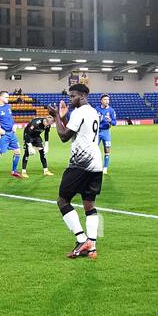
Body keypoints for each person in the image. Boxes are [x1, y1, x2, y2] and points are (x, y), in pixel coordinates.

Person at [46, 82, 104, 259]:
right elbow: (76, 132)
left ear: (82, 96)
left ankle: (81, 239)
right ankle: (91, 246)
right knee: (89, 204)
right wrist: (63, 118)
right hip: (96, 164)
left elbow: (64, 137)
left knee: (62, 201)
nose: (70, 99)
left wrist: (56, 116)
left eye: (73, 96)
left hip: (80, 164)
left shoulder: (79, 112)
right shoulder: (92, 111)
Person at [0, 90, 24, 178]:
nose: (8, 99)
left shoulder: (8, 106)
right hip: (3, 134)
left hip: (11, 133)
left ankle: (14, 171)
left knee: (18, 151)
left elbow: (10, 118)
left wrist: (14, 125)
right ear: (0, 97)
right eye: (6, 97)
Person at [95, 93, 117, 173]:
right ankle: (95, 165)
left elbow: (114, 123)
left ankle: (105, 168)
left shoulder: (111, 110)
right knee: (93, 149)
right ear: (101, 101)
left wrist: (110, 120)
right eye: (105, 99)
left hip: (106, 132)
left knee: (107, 149)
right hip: (97, 132)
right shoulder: (96, 109)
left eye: (108, 99)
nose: (107, 101)